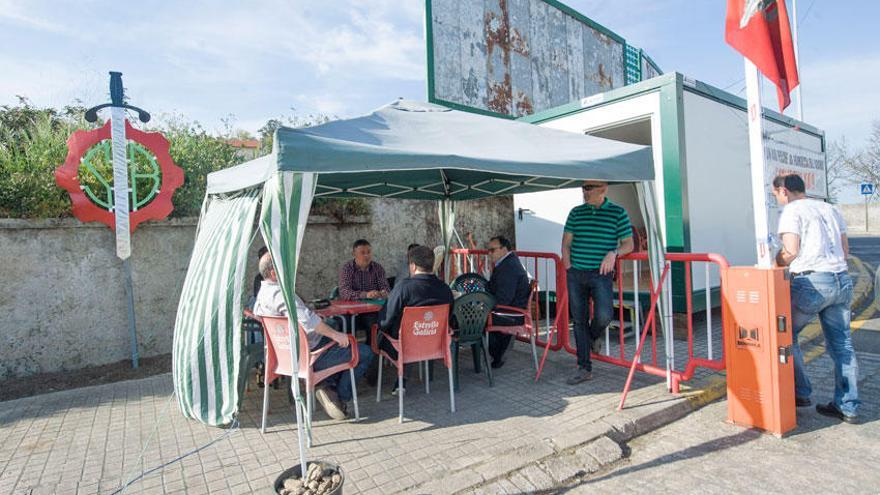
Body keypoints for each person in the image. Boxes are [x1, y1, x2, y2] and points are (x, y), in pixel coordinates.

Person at [772, 173, 860, 423]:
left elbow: (791, 251)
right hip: (841, 279)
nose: (777, 199)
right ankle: (848, 405)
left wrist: (775, 262)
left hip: (811, 282)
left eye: (775, 194)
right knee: (842, 345)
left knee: (786, 334)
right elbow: (845, 250)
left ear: (784, 191)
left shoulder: (791, 211)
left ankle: (801, 392)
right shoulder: (830, 209)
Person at [254, 252, 374, 420]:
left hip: (284, 355)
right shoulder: (283, 295)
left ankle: (326, 384)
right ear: (274, 274)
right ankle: (339, 397)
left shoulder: (262, 294)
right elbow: (309, 322)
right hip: (310, 356)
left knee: (333, 328)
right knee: (364, 351)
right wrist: (337, 335)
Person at [562, 180, 634, 385]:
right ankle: (584, 368)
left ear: (603, 188)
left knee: (604, 315)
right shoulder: (576, 212)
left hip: (601, 274)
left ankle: (593, 337)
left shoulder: (618, 213)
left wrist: (614, 253)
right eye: (584, 188)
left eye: (589, 187)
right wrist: (569, 267)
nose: (584, 191)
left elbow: (629, 244)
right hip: (576, 273)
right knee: (578, 321)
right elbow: (566, 243)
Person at [377, 245, 454, 394]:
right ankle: (401, 382)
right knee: (410, 334)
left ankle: (379, 380)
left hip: (403, 347)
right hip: (435, 345)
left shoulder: (403, 288)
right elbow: (449, 317)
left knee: (385, 333)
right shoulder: (445, 289)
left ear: (412, 266)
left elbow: (385, 320)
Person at [485, 235, 530, 369]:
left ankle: (497, 354)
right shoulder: (507, 262)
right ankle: (497, 352)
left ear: (504, 249)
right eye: (489, 250)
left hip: (511, 313)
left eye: (492, 250)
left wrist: (483, 303)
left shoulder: (508, 267)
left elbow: (503, 299)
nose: (489, 253)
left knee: (475, 319)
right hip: (511, 309)